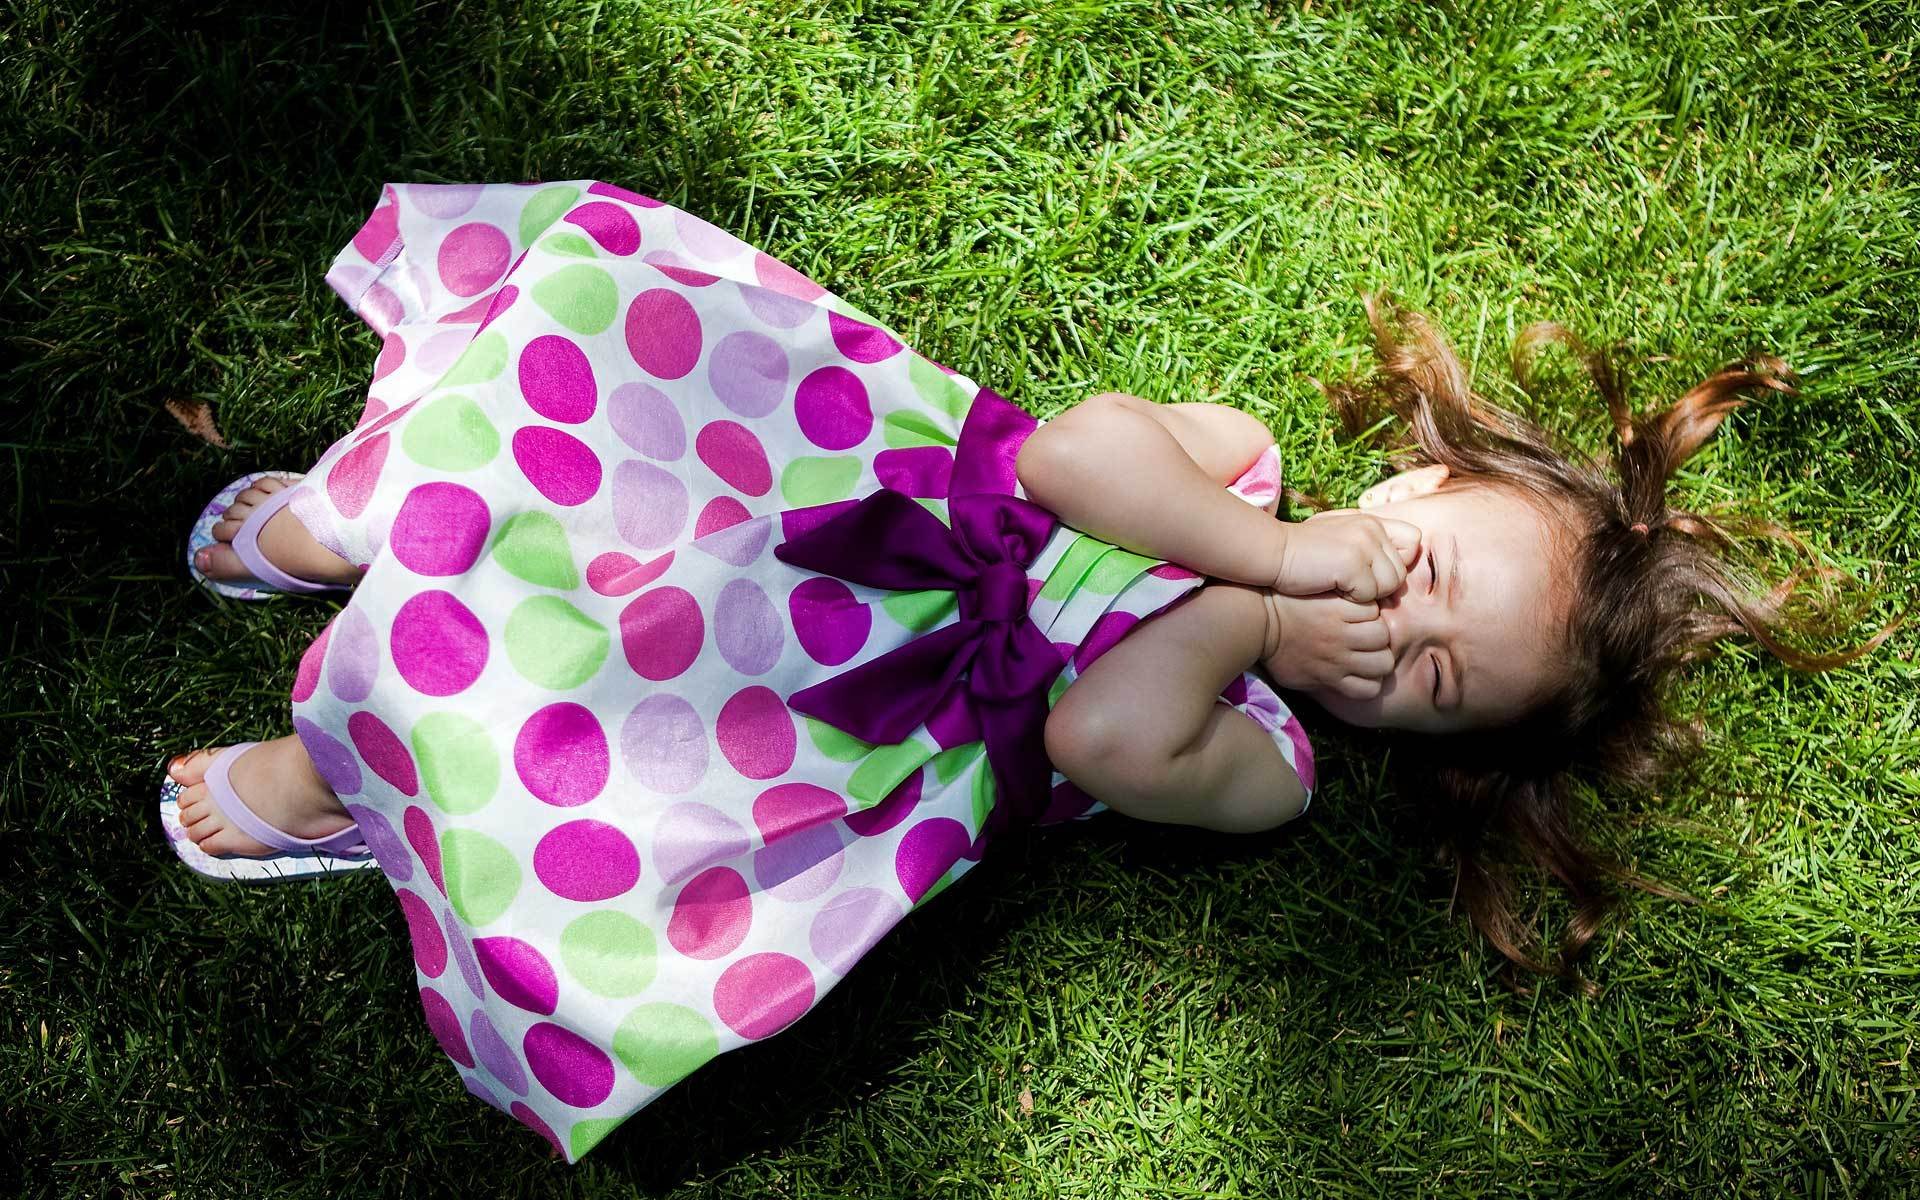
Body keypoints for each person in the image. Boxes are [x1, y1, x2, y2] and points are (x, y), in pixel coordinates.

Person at [157, 181, 1879, 1161]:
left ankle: (335, 775)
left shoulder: (1266, 759)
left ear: (1436, 745)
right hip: (821, 479)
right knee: (585, 420)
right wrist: (1267, 552)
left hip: (821, 726)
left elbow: (1103, 731)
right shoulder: (1245, 468)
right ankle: (350, 514)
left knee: (567, 740)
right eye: (1417, 579)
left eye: (1430, 680)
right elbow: (1068, 457)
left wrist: (1256, 621)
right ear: (1410, 493)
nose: (1387, 634)